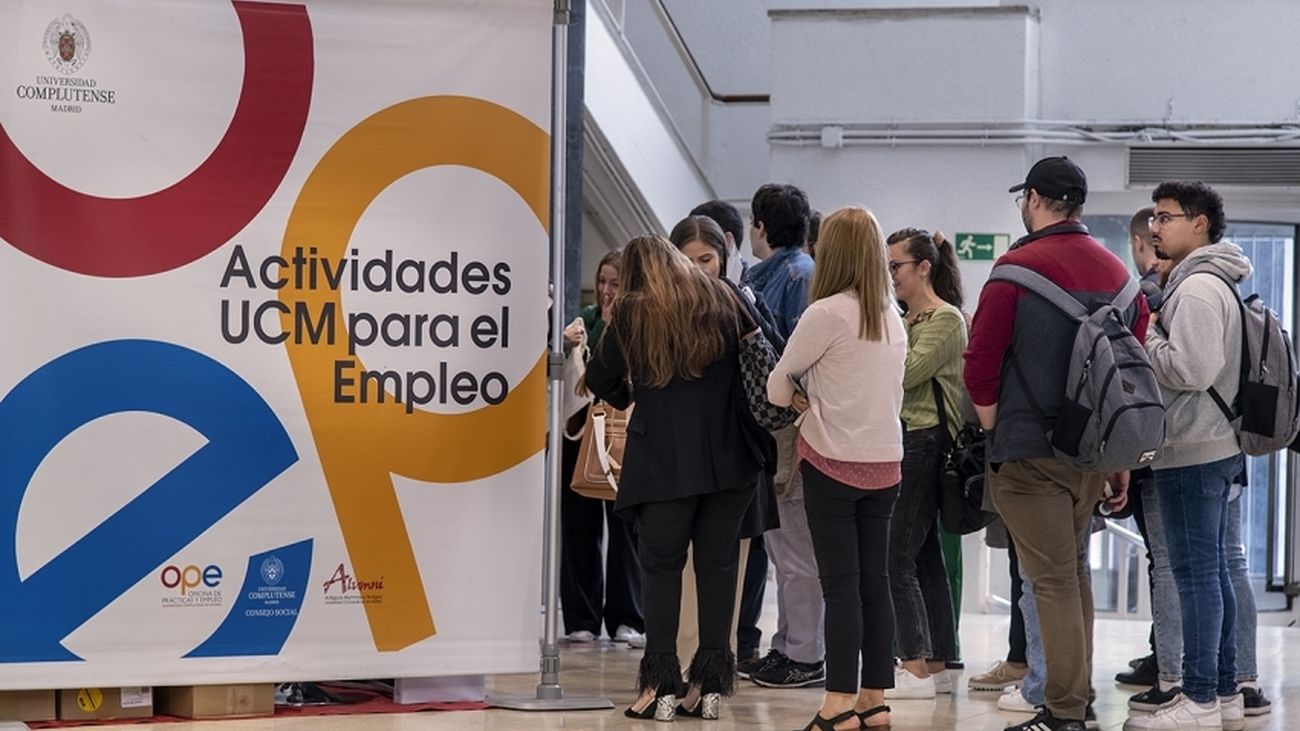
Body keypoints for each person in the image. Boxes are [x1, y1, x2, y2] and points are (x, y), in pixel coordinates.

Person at [964, 156, 1142, 731]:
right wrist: (1119, 461)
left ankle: (1064, 711)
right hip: (1092, 453)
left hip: (1028, 451)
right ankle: (1076, 700)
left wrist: (994, 430)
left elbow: (980, 367)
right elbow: (1133, 370)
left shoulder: (1013, 271)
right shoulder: (1122, 276)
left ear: (1036, 199)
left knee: (1052, 581)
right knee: (1076, 577)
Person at [584, 235, 762, 721]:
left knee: (661, 568)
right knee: (717, 567)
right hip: (730, 460)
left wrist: (632, 393)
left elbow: (601, 380)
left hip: (661, 460)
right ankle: (708, 687)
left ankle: (660, 685)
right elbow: (769, 357)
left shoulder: (635, 310)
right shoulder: (723, 296)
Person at [768, 206, 907, 731]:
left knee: (839, 586)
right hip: (886, 464)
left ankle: (836, 704)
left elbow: (776, 385)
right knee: (875, 584)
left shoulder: (825, 312)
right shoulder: (891, 316)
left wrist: (804, 401)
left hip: (832, 462)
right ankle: (874, 699)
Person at [1125, 181, 1249, 731]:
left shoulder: (1197, 288)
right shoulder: (1204, 281)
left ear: (1199, 224)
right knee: (1211, 572)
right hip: (1206, 445)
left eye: (1165, 217)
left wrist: (1146, 340)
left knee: (1197, 576)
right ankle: (1220, 691)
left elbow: (1193, 371)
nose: (1155, 227)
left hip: (1194, 448)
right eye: (1154, 217)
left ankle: (1198, 698)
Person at [665, 215, 781, 678]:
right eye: (687, 260)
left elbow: (776, 362)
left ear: (725, 258)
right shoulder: (658, 312)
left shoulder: (743, 302)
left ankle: (713, 673)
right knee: (682, 577)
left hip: (735, 463)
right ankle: (687, 669)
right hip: (676, 465)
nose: (697, 270)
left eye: (706, 259)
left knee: (723, 579)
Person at [744, 183, 828, 690]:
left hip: (789, 427)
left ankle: (804, 653)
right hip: (773, 425)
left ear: (759, 226)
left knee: (795, 547)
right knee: (783, 547)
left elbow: (797, 361)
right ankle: (789, 645)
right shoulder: (774, 275)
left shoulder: (797, 277)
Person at [883, 228, 966, 699]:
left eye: (896, 266)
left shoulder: (945, 319)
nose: (890, 275)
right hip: (907, 441)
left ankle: (912, 663)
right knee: (924, 554)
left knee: (895, 556)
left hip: (924, 441)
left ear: (923, 268)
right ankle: (934, 660)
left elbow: (905, 374)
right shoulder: (905, 319)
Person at [559, 249, 644, 645]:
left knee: (626, 529)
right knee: (579, 526)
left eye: (616, 282)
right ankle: (581, 617)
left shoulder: (640, 326)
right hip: (580, 435)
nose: (608, 291)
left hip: (624, 434)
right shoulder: (586, 321)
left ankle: (628, 616)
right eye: (603, 282)